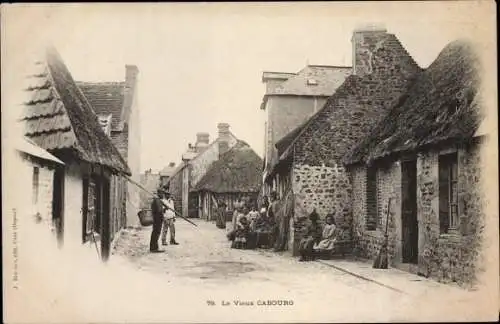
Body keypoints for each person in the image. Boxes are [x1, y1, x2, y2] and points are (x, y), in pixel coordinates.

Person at [150, 188, 166, 253]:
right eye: (162, 194)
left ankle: (153, 247)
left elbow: (159, 210)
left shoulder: (157, 200)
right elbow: (159, 211)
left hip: (156, 219)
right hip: (157, 220)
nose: (163, 195)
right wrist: (164, 209)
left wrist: (164, 209)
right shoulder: (157, 200)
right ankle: (154, 248)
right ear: (159, 193)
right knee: (156, 233)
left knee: (155, 233)